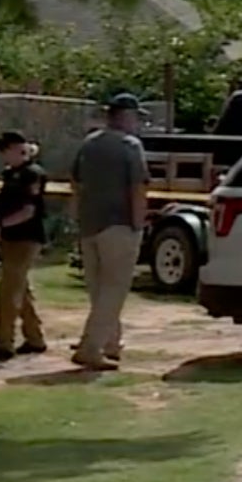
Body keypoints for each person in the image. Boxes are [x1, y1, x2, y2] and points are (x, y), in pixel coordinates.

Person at [70, 92, 151, 370]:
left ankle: (110, 343)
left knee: (98, 288)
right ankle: (90, 347)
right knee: (114, 289)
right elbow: (138, 187)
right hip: (119, 224)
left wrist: (78, 219)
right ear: (126, 118)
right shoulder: (131, 146)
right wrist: (139, 224)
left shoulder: (88, 145)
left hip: (89, 224)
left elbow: (76, 184)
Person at [0, 131, 48, 361]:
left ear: (17, 149)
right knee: (20, 289)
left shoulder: (31, 174)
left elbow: (28, 211)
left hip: (26, 238)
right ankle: (35, 338)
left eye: (4, 150)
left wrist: (1, 223)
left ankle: (4, 342)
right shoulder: (10, 174)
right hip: (9, 237)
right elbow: (5, 205)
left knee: (8, 291)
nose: (2, 155)